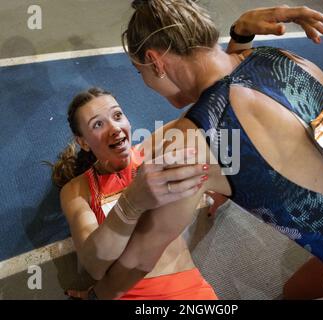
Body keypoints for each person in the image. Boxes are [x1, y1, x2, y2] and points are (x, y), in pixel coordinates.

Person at [86, 0, 323, 300]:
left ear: (155, 61)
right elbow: (239, 89)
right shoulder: (283, 57)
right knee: (294, 291)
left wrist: (97, 295)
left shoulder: (193, 141)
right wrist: (240, 33)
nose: (145, 82)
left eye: (139, 71)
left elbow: (137, 261)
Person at [54, 87, 217, 299]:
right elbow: (93, 265)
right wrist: (131, 203)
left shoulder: (151, 153)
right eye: (98, 124)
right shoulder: (77, 190)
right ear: (83, 142)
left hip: (190, 289)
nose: (114, 128)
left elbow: (204, 112)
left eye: (117, 115)